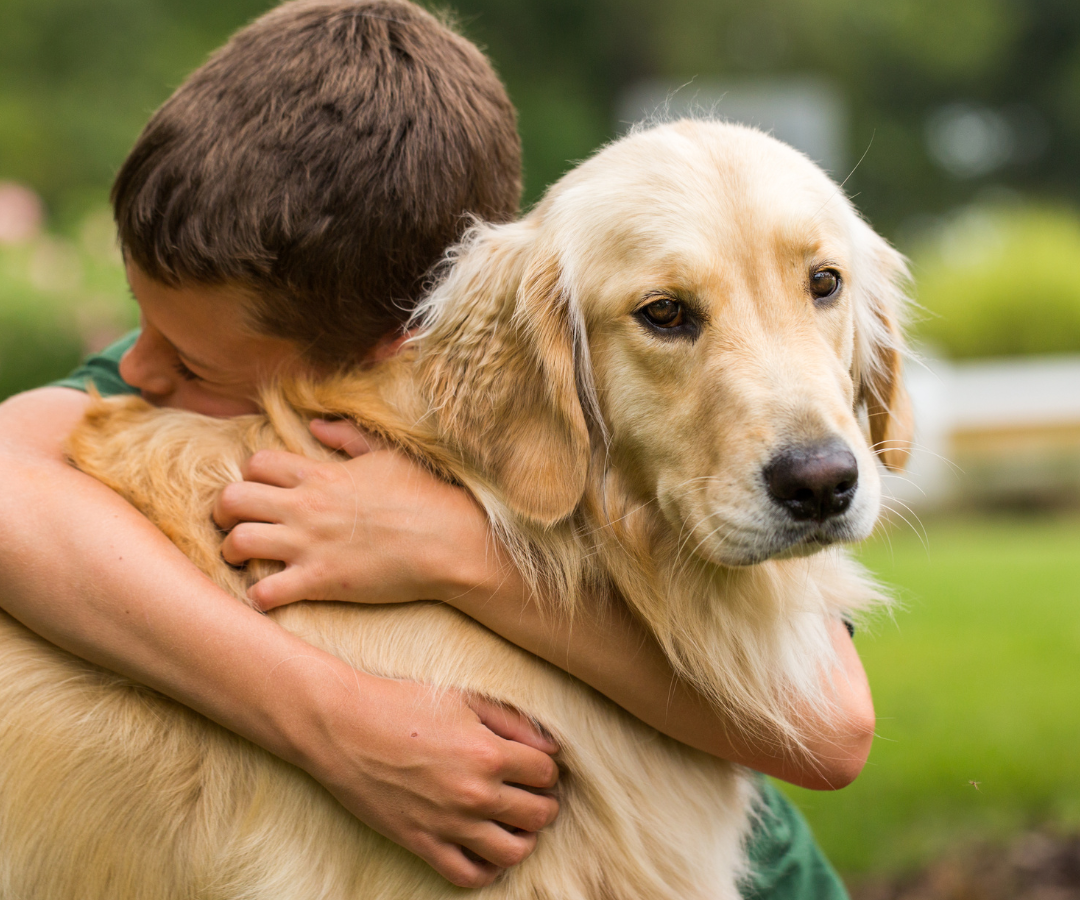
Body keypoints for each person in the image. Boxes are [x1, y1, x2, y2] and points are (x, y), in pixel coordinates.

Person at [0, 1, 868, 895]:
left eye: (184, 356)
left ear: (387, 350)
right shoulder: (216, 363)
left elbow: (834, 726)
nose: (137, 371)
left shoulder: (551, 334)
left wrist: (461, 557)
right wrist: (333, 717)